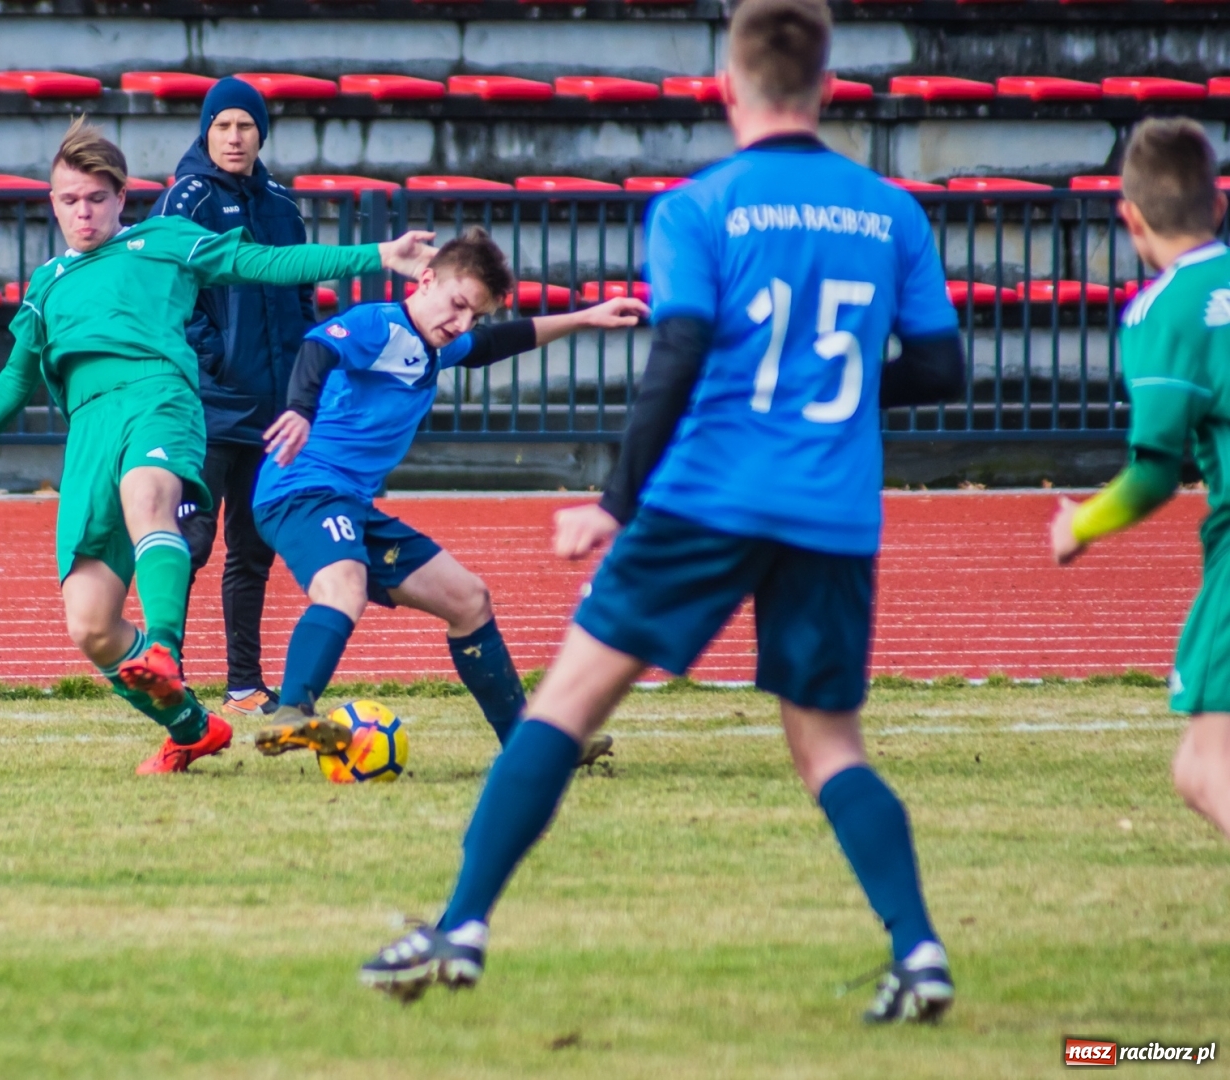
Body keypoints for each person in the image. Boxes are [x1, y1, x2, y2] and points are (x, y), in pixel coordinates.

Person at [359, 0, 968, 1024]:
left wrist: (613, 503)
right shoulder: (891, 211)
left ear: (728, 88)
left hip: (710, 495)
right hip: (830, 508)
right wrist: (839, 384)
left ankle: (462, 923)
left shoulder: (700, 205)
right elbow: (943, 369)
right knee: (829, 748)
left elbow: (678, 353)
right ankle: (920, 953)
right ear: (826, 87)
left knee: (565, 704)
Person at [0, 118, 436, 775]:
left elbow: (263, 263)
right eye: (68, 199)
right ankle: (192, 728)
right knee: (90, 625)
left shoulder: (164, 240)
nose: (82, 211)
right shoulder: (47, 284)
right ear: (51, 203)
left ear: (121, 198)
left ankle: (166, 647)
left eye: (95, 197)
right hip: (89, 433)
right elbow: (12, 382)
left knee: (149, 496)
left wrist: (375, 256)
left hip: (159, 399)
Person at [245, 228, 646, 765]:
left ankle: (529, 746)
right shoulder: (381, 324)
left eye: (473, 314)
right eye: (457, 305)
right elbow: (319, 346)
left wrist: (585, 317)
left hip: (351, 504)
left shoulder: (437, 343)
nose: (460, 323)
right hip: (301, 489)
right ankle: (292, 713)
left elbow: (497, 343)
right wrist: (298, 408)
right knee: (345, 585)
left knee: (469, 599)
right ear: (425, 279)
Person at [1050, 117, 1230, 844]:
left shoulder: (1163, 311)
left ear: (1128, 217)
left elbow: (1154, 475)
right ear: (1218, 205)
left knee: (1202, 765)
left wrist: (1080, 525)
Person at [154, 78, 313, 720]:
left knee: (252, 552)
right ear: (206, 132)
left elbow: (301, 291)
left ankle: (245, 683)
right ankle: (169, 674)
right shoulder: (184, 200)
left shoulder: (282, 206)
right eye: (223, 125)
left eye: (246, 125)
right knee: (189, 543)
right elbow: (170, 294)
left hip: (271, 414)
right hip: (210, 407)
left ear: (261, 134)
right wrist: (211, 357)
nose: (235, 136)